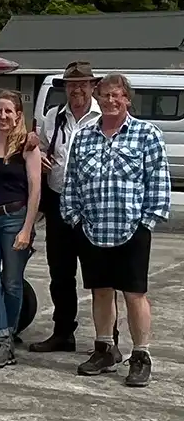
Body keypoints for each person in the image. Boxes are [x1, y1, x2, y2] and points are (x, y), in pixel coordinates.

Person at [62, 74, 169, 387]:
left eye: (116, 95)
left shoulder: (146, 134)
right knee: (101, 291)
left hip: (131, 229)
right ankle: (105, 349)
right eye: (105, 95)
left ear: (127, 99)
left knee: (135, 294)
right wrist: (74, 218)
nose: (110, 101)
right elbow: (71, 182)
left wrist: (146, 221)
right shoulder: (83, 137)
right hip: (93, 228)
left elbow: (158, 182)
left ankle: (141, 355)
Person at [29, 61, 106, 353]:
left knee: (99, 275)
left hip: (93, 206)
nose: (77, 90)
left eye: (83, 84)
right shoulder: (53, 117)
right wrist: (41, 155)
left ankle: (105, 339)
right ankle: (63, 331)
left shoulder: (104, 117)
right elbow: (44, 147)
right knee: (60, 273)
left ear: (92, 86)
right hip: (59, 201)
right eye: (72, 85)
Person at [0, 90, 42, 368]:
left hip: (15, 219)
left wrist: (27, 229)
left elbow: (36, 190)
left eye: (8, 112)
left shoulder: (27, 145)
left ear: (18, 116)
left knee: (12, 283)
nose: (3, 116)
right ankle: (3, 338)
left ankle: (7, 339)